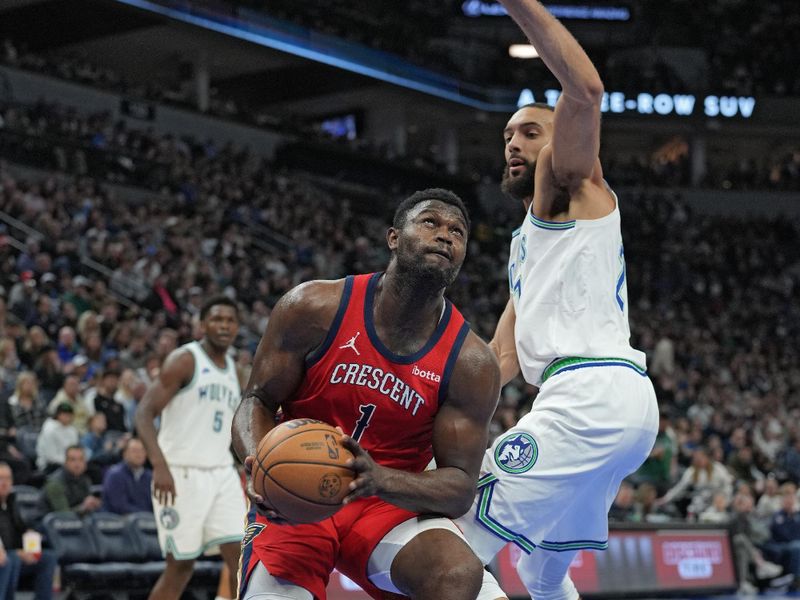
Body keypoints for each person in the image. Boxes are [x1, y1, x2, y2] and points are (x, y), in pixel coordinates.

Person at [454, 3, 659, 600]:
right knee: (542, 573)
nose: (515, 144)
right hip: (608, 405)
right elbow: (499, 357)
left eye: (531, 132)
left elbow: (586, 89)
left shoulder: (574, 188)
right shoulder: (529, 245)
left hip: (588, 399)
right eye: (508, 135)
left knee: (449, 546)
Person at [232, 189, 502, 600]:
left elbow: (460, 486)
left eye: (458, 231)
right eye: (430, 222)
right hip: (299, 487)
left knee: (457, 575)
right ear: (393, 237)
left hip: (386, 500)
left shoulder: (472, 362)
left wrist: (378, 479)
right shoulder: (312, 307)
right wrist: (259, 464)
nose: (445, 235)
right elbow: (257, 401)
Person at [135, 296, 245, 600]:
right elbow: (143, 413)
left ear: (237, 327)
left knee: (241, 559)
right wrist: (159, 465)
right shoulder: (185, 360)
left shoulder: (235, 370)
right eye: (217, 319)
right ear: (202, 325)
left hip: (221, 473)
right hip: (179, 473)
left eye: (230, 320)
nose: (224, 325)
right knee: (181, 566)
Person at [0, 462, 58, 599]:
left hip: (16, 554)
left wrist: (30, 535)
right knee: (11, 559)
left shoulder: (11, 501)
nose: (5, 483)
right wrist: (18, 552)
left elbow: (21, 529)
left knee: (48, 558)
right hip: (7, 556)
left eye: (8, 479)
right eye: (0, 478)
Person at [42, 445, 101, 515]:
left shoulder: (85, 480)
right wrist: (84, 507)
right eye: (73, 460)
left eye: (81, 459)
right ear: (66, 462)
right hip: (45, 522)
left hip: (73, 521)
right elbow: (63, 515)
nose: (77, 464)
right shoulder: (55, 483)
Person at [101, 437, 152, 515]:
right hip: (119, 522)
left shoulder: (150, 476)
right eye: (134, 451)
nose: (139, 454)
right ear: (125, 454)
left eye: (142, 450)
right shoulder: (115, 474)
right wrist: (146, 515)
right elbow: (119, 506)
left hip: (148, 520)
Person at [35, 403, 79, 472]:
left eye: (69, 415)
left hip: (69, 462)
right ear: (58, 415)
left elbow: (75, 448)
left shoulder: (72, 429)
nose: (67, 417)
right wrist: (70, 461)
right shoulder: (49, 429)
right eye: (64, 414)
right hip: (49, 465)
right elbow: (51, 456)